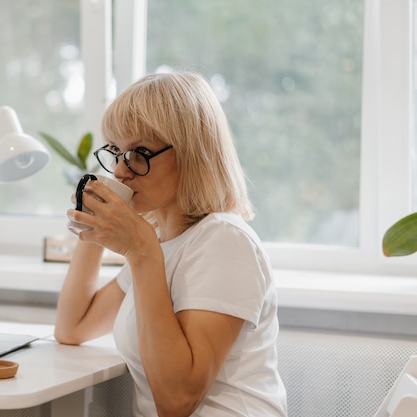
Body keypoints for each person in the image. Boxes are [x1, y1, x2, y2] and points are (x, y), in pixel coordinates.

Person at [54, 71, 288, 417]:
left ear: (192, 154)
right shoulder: (161, 242)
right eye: (117, 151)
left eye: (141, 151)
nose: (121, 171)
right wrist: (93, 227)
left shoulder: (224, 241)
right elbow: (73, 328)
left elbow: (177, 400)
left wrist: (142, 251)